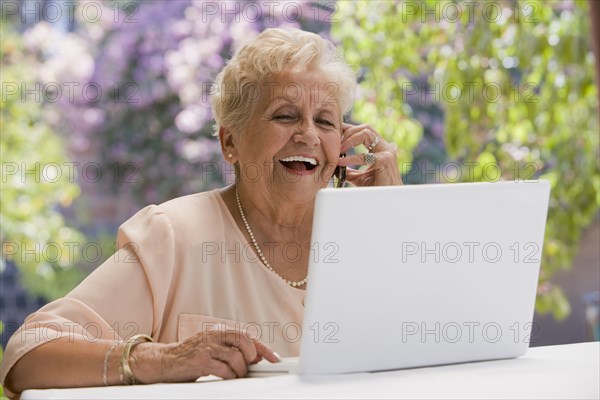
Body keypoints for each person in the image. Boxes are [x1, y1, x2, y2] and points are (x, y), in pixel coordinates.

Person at [0, 27, 402, 397]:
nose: (309, 135)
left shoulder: (367, 240)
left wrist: (394, 216)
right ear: (231, 142)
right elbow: (27, 356)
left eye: (326, 121)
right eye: (285, 115)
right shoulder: (175, 235)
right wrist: (159, 360)